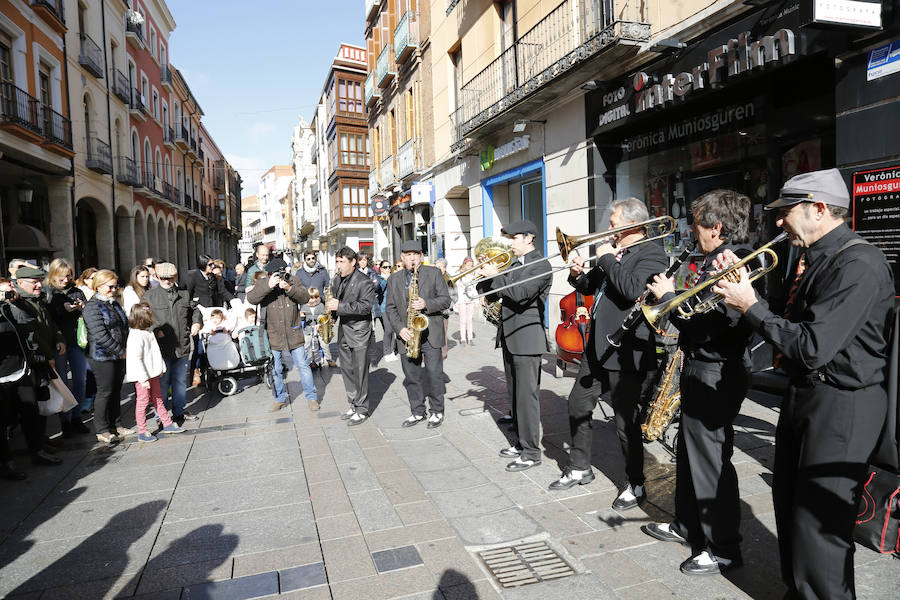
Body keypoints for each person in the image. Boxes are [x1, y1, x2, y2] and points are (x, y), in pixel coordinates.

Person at [713, 169, 894, 597]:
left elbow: (813, 346)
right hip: (807, 396)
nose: (778, 222)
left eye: (786, 212)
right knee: (791, 510)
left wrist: (752, 307)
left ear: (817, 208)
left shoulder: (859, 262)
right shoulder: (815, 257)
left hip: (842, 405)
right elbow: (796, 321)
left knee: (820, 527)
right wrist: (745, 287)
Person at [642, 190, 754, 575]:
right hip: (699, 366)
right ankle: (687, 524)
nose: (693, 230)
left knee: (711, 461)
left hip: (716, 370)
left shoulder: (733, 265)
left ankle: (724, 547)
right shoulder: (711, 261)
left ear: (717, 227)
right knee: (689, 456)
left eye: (697, 223)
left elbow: (708, 328)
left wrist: (670, 298)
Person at [550, 198, 668, 504]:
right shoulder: (617, 253)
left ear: (634, 225)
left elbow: (631, 290)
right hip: (598, 347)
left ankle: (636, 483)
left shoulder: (653, 254)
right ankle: (579, 467)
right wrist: (577, 274)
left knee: (625, 422)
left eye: (614, 223)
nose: (609, 229)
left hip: (627, 350)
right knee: (577, 404)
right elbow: (592, 287)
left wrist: (606, 259)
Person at [476, 220, 552, 471]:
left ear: (529, 238)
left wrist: (496, 275)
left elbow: (520, 294)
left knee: (527, 398)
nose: (509, 243)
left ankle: (532, 452)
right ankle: (521, 443)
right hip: (510, 336)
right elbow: (493, 294)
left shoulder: (540, 265)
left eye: (513, 237)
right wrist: (484, 278)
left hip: (527, 339)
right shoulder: (513, 265)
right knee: (515, 396)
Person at [386, 242, 452, 429]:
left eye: (415, 254)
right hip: (407, 334)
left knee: (434, 374)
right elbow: (390, 308)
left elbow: (446, 300)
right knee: (411, 376)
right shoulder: (394, 279)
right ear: (402, 257)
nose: (412, 258)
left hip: (430, 332)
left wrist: (426, 304)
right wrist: (400, 329)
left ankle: (437, 411)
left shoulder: (434, 273)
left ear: (421, 256)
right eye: (408, 254)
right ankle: (417, 411)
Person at [0, 275, 62, 467]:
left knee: (31, 412)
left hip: (20, 369)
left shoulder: (10, 306)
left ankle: (37, 452)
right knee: (4, 420)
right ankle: (6, 463)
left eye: (10, 286)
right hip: (1, 375)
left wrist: (16, 302)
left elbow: (29, 318)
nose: (10, 289)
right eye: (5, 288)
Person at [247, 259, 318, 412]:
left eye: (283, 272)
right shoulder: (263, 282)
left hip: (294, 332)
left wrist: (289, 288)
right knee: (276, 369)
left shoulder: (293, 280)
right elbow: (251, 298)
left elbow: (305, 297)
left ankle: (311, 397)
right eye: (277, 273)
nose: (281, 276)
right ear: (270, 274)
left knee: (303, 366)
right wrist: (268, 285)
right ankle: (279, 398)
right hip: (273, 335)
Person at [140, 263, 202, 426]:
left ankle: (179, 411)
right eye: (163, 278)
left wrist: (196, 322)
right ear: (157, 277)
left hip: (182, 345)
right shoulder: (149, 296)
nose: (167, 281)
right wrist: (154, 329)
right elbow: (142, 319)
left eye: (170, 278)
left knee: (180, 382)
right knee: (162, 383)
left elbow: (195, 311)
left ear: (175, 277)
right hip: (161, 348)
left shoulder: (184, 293)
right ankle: (161, 415)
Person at [326, 246, 375, 425]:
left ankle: (362, 409)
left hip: (359, 331)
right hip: (344, 330)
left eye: (342, 262)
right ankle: (354, 403)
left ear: (353, 262)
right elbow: (335, 302)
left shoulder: (365, 281)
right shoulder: (338, 279)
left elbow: (365, 307)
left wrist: (339, 306)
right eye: (337, 262)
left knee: (360, 371)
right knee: (347, 369)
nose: (339, 266)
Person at [82, 269, 130, 443]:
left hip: (118, 354)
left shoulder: (113, 303)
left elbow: (124, 326)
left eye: (115, 286)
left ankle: (116, 424)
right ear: (98, 286)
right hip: (101, 356)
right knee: (105, 391)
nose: (114, 289)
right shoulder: (92, 306)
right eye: (110, 286)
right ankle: (101, 429)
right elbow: (100, 335)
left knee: (116, 390)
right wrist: (121, 351)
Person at [44, 258, 90, 436]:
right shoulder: (48, 293)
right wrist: (64, 308)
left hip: (77, 341)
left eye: (68, 276)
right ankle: (65, 421)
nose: (65, 280)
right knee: (62, 382)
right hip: (58, 344)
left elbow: (87, 313)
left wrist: (82, 307)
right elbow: (50, 317)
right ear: (54, 276)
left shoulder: (77, 291)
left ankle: (77, 417)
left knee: (80, 380)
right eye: (61, 277)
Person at [124, 303, 183, 442]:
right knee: (143, 402)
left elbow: (155, 353)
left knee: (158, 397)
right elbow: (136, 359)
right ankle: (142, 430)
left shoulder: (147, 332)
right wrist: (143, 378)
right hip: (143, 376)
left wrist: (160, 368)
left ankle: (167, 423)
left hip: (152, 373)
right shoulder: (136, 335)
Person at [295, 251, 335, 367]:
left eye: (313, 258)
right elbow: (297, 290)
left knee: (322, 335)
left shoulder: (322, 271)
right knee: (307, 337)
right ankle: (306, 360)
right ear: (305, 260)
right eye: (308, 259)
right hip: (305, 306)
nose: (311, 260)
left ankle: (324, 357)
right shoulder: (299, 273)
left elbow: (328, 286)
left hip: (320, 305)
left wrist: (325, 300)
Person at [376, 260, 398, 361]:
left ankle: (392, 351)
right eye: (385, 267)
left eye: (389, 267)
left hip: (394, 307)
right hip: (384, 307)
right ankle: (386, 352)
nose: (388, 269)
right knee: (388, 330)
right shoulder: (379, 278)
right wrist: (385, 279)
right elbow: (379, 289)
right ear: (381, 268)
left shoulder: (393, 277)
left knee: (393, 329)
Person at [455, 257, 478, 346]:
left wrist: (476, 301)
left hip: (471, 299)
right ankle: (463, 339)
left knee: (469, 320)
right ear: (464, 265)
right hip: (462, 300)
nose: (470, 267)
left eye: (471, 266)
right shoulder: (459, 274)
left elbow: (474, 289)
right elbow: (457, 290)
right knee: (462, 320)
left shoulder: (473, 274)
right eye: (468, 265)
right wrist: (457, 302)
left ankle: (470, 338)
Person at [433, 258, 451, 359]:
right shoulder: (433, 277)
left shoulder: (449, 279)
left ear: (444, 268)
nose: (437, 268)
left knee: (443, 333)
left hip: (443, 311)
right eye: (436, 266)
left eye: (439, 266)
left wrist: (445, 307)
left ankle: (443, 353)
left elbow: (454, 296)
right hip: (433, 310)